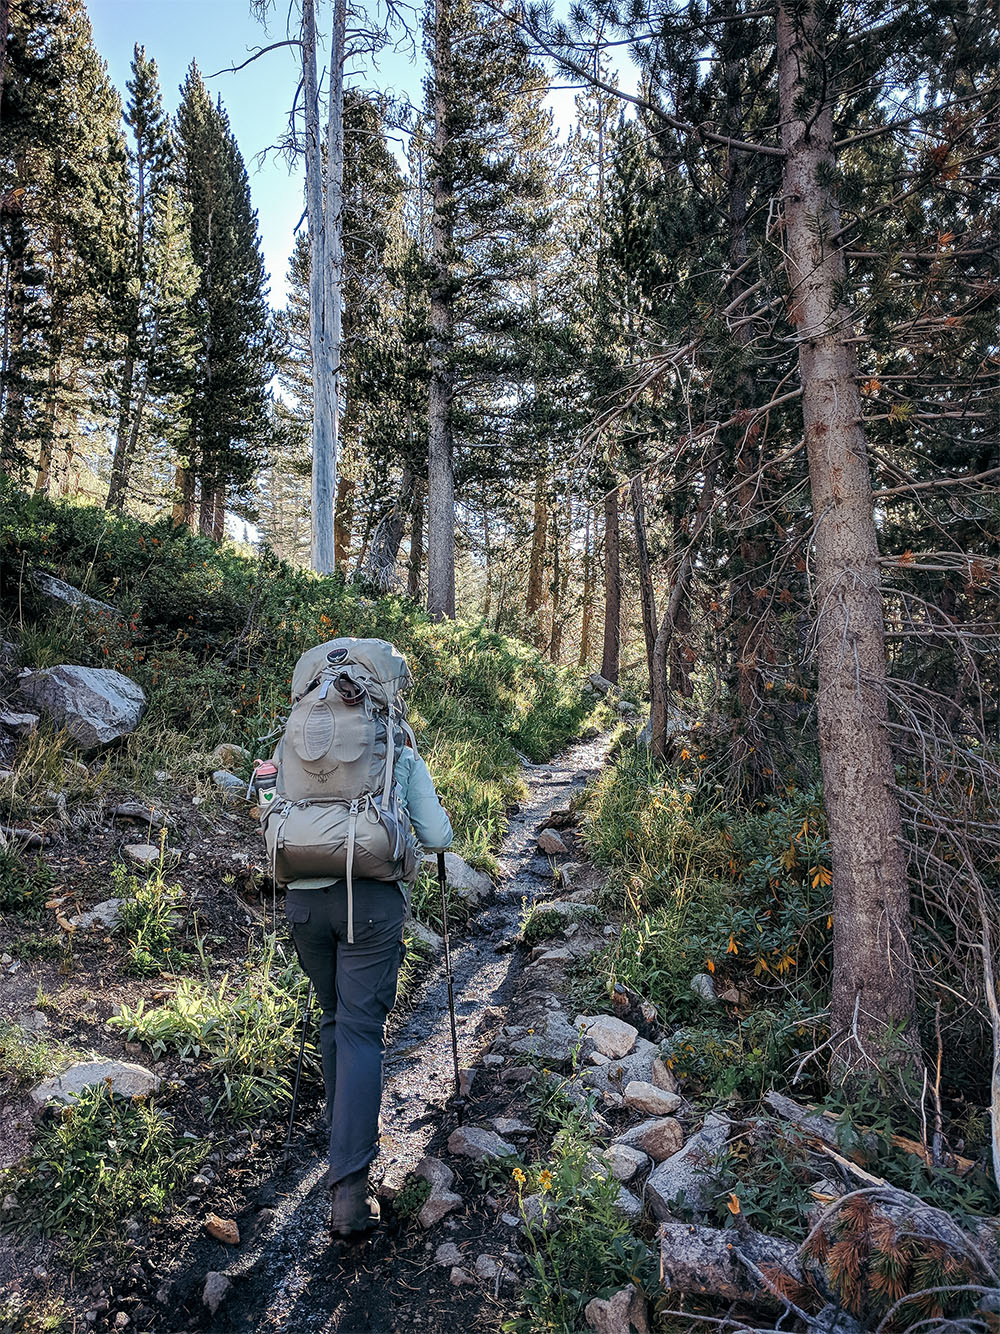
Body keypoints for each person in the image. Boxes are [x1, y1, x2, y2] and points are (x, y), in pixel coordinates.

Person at [283, 740, 452, 1238]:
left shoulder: (298, 740)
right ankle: (351, 1196)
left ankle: (340, 1128)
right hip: (371, 906)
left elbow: (273, 807)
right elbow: (437, 835)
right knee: (360, 1030)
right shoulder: (393, 745)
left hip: (304, 904)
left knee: (334, 1015)